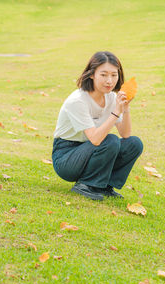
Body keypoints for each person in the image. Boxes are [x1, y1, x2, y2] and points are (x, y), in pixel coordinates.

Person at [52, 51, 143, 201]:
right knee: (111, 140)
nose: (109, 81)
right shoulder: (78, 100)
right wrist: (115, 113)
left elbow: (125, 134)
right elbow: (95, 139)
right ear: (92, 74)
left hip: (91, 149)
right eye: (104, 75)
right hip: (66, 156)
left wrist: (125, 108)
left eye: (114, 75)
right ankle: (85, 185)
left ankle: (105, 185)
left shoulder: (112, 97)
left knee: (134, 143)